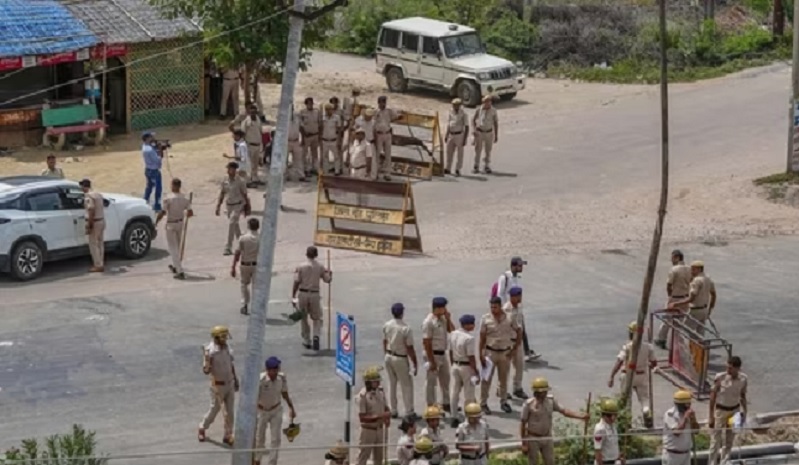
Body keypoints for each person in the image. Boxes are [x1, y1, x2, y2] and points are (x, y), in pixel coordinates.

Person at [520, 378, 588, 465]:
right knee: (533, 462)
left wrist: (581, 416)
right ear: (536, 392)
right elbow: (523, 423)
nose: (545, 393)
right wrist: (524, 443)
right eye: (542, 391)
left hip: (547, 436)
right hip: (533, 438)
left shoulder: (550, 401)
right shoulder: (528, 404)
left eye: (545, 391)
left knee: (550, 461)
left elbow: (564, 411)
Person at [607, 321, 657, 427]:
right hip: (641, 375)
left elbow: (620, 361)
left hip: (628, 374)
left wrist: (611, 376)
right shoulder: (648, 347)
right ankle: (646, 412)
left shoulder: (628, 346)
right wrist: (647, 363)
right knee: (644, 398)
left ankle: (627, 421)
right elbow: (654, 362)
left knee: (627, 398)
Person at [479, 296, 520, 414]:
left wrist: (514, 349)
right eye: (491, 307)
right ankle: (483, 403)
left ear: (500, 306)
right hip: (490, 352)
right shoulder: (485, 318)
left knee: (503, 379)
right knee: (486, 379)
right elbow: (482, 338)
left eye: (495, 307)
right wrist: (481, 354)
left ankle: (503, 401)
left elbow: (518, 331)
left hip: (504, 352)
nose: (493, 309)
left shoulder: (509, 318)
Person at [199, 325, 238, 445]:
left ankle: (228, 435)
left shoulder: (226, 348)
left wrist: (235, 379)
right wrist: (207, 362)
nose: (225, 339)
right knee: (215, 409)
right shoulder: (210, 352)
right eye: (223, 337)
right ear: (217, 337)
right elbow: (206, 371)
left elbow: (230, 365)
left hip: (229, 383)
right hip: (218, 386)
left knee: (230, 412)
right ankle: (202, 427)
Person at [255, 356, 296, 465]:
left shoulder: (281, 378)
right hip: (262, 411)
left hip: (276, 410)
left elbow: (284, 393)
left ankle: (272, 462)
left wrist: (291, 407)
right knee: (260, 438)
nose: (275, 372)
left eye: (277, 369)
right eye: (273, 370)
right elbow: (254, 397)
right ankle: (257, 460)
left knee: (275, 439)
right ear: (268, 370)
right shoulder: (260, 380)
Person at [496, 257, 539, 361]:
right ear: (513, 266)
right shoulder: (504, 277)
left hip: (517, 308)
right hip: (508, 309)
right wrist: (503, 309)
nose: (521, 268)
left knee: (521, 329)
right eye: (520, 266)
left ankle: (526, 351)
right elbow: (500, 293)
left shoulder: (517, 277)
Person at [291, 245, 332, 351]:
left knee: (303, 317)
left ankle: (306, 340)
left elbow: (296, 281)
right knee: (317, 317)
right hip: (315, 294)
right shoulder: (320, 266)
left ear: (306, 254)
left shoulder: (300, 266)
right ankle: (316, 336)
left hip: (303, 293)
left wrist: (293, 295)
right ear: (316, 255)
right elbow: (327, 280)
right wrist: (330, 273)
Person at [708, 356, 747, 465]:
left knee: (729, 440)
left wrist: (744, 413)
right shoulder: (720, 377)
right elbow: (713, 396)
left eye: (730, 368)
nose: (728, 370)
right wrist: (711, 416)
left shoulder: (743, 379)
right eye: (727, 367)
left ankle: (724, 462)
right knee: (715, 440)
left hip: (735, 411)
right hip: (721, 410)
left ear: (737, 368)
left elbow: (743, 395)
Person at [383, 303, 419, 419]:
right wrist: (414, 362)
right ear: (402, 313)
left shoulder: (387, 325)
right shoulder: (405, 328)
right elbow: (409, 347)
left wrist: (386, 353)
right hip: (400, 357)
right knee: (406, 385)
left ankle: (393, 410)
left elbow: (384, 341)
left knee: (392, 384)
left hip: (388, 355)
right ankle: (409, 411)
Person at [155, 178, 193, 280]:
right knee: (177, 247)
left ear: (173, 186)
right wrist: (187, 212)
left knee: (173, 248)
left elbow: (163, 212)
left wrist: (156, 222)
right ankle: (176, 265)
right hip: (180, 224)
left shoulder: (168, 198)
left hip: (171, 225)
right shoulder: (184, 199)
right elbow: (190, 213)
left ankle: (179, 271)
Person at [422, 297, 454, 413]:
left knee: (445, 379)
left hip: (442, 352)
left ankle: (446, 402)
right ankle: (431, 405)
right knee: (431, 382)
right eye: (443, 307)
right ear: (437, 308)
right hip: (433, 353)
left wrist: (448, 318)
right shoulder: (429, 322)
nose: (445, 309)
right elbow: (426, 342)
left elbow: (453, 331)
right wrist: (431, 361)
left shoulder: (443, 319)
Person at [656, 250, 692, 349]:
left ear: (677, 257)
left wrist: (670, 296)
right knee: (679, 321)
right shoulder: (689, 269)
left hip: (675, 298)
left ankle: (661, 339)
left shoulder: (674, 270)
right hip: (685, 298)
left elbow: (669, 285)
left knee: (667, 319)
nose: (671, 260)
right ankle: (676, 343)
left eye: (672, 257)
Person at [669, 261, 716, 336]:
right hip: (704, 310)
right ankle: (698, 347)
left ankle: (683, 347)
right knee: (700, 335)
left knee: (683, 332)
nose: (691, 271)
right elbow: (713, 295)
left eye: (693, 269)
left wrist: (675, 303)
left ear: (699, 269)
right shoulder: (708, 279)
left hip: (695, 310)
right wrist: (710, 309)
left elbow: (691, 299)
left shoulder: (697, 281)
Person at [357, 366, 390, 465]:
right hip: (368, 431)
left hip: (380, 429)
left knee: (379, 458)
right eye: (375, 381)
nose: (378, 383)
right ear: (368, 382)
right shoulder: (362, 396)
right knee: (363, 457)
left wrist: (387, 417)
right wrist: (380, 416)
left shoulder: (380, 391)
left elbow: (385, 406)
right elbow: (362, 417)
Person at [449, 314, 478, 428]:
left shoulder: (453, 334)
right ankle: (469, 417)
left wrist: (452, 364)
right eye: (472, 323)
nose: (473, 326)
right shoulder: (469, 338)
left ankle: (454, 416)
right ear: (467, 325)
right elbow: (471, 356)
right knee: (469, 393)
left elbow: (450, 352)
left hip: (455, 364)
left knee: (454, 392)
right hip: (466, 367)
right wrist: (475, 371)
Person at [216, 161, 250, 256]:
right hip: (229, 205)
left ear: (235, 170)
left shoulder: (240, 181)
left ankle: (228, 247)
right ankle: (243, 244)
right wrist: (218, 206)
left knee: (232, 223)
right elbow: (222, 193)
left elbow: (245, 194)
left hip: (238, 205)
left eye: (230, 169)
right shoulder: (225, 180)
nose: (228, 170)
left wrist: (247, 207)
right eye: (228, 168)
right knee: (235, 226)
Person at [503, 287, 528, 400]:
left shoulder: (519, 307)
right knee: (505, 368)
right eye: (517, 296)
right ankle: (502, 390)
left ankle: (517, 388)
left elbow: (521, 323)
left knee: (519, 365)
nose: (519, 298)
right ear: (512, 297)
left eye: (520, 295)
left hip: (519, 341)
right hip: (509, 341)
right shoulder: (506, 309)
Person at [231, 218, 260, 315]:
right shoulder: (261, 238)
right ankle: (257, 306)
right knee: (257, 286)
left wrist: (233, 266)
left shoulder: (243, 238)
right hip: (257, 265)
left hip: (245, 264)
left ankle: (245, 305)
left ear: (248, 226)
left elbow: (238, 252)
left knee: (244, 284)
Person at [662, 390, 699, 465]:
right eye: (686, 404)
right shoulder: (670, 414)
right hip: (672, 455)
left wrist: (694, 420)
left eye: (689, 404)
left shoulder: (689, 414)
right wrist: (685, 418)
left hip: (686, 454)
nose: (688, 406)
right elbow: (676, 432)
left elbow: (696, 431)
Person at [229, 103, 264, 184]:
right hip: (250, 145)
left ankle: (255, 178)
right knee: (249, 164)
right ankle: (248, 180)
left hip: (258, 144)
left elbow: (260, 131)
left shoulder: (258, 119)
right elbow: (243, 134)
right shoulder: (246, 121)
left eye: (254, 110)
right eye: (251, 111)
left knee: (255, 163)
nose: (253, 112)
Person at [79, 179, 105, 272]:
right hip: (101, 220)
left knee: (93, 244)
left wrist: (89, 225)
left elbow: (91, 209)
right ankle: (101, 262)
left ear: (84, 187)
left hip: (95, 221)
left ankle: (97, 265)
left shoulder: (88, 196)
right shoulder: (98, 194)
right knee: (100, 243)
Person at [373, 96, 401, 181]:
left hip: (387, 133)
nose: (383, 104)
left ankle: (387, 173)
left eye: (384, 102)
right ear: (378, 103)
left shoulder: (389, 111)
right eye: (381, 102)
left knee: (388, 154)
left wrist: (399, 115)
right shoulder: (375, 112)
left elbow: (396, 117)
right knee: (377, 154)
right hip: (379, 134)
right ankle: (375, 172)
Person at [472, 95, 499, 174]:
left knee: (488, 150)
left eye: (489, 101)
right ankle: (476, 165)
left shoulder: (493, 111)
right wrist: (474, 129)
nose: (487, 103)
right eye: (485, 102)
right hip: (480, 131)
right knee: (478, 150)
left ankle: (486, 165)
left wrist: (496, 135)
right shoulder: (479, 110)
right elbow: (473, 120)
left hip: (489, 132)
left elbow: (495, 123)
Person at [594, 399, 623, 465]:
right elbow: (598, 451)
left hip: (615, 462)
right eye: (609, 415)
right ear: (603, 415)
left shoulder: (613, 426)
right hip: (605, 463)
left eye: (614, 415)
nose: (612, 418)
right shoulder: (600, 429)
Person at [444, 98, 469, 176]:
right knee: (449, 152)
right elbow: (449, 124)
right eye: (453, 105)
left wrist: (465, 139)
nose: (454, 106)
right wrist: (446, 134)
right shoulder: (450, 112)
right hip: (451, 134)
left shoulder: (464, 114)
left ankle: (458, 169)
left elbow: (467, 126)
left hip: (459, 134)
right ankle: (448, 168)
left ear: (459, 105)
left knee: (460, 153)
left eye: (456, 105)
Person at [141, 131, 163, 212]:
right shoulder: (150, 150)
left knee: (149, 187)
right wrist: (160, 152)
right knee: (158, 189)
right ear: (147, 138)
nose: (152, 138)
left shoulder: (144, 146)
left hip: (148, 169)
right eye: (150, 137)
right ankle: (157, 206)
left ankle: (144, 201)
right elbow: (157, 160)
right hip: (154, 171)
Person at [300, 97, 322, 175]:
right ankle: (306, 169)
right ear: (306, 104)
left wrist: (319, 136)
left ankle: (314, 168)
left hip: (315, 134)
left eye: (311, 103)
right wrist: (302, 137)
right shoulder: (302, 112)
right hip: (307, 136)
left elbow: (319, 124)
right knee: (305, 154)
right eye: (308, 104)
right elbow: (301, 126)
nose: (310, 105)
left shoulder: (317, 112)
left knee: (315, 153)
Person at [321, 103, 344, 175]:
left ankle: (337, 171)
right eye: (327, 110)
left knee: (336, 156)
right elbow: (320, 128)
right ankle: (325, 171)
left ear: (332, 110)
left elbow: (339, 129)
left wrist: (339, 140)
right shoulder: (323, 118)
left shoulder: (336, 118)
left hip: (333, 140)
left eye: (330, 109)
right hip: (325, 140)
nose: (328, 111)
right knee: (325, 157)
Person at [287, 106, 307, 181]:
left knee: (298, 159)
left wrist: (303, 138)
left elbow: (301, 128)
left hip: (296, 140)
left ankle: (301, 175)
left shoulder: (297, 116)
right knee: (285, 159)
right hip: (287, 141)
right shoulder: (284, 116)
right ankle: (285, 175)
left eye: (291, 108)